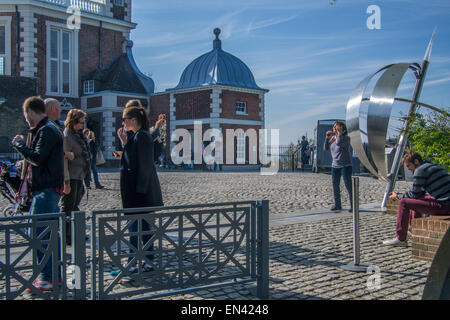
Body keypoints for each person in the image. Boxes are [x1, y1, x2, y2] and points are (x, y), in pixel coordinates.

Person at [12, 96, 64, 292]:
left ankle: (48, 277)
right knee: (49, 233)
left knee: (38, 232)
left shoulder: (47, 130)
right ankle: (52, 276)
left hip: (47, 188)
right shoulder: (46, 129)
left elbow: (37, 158)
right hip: (46, 188)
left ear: (30, 112)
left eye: (26, 115)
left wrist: (19, 145)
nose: (26, 119)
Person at [110, 106, 164, 276]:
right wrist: (124, 147)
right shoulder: (137, 136)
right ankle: (148, 261)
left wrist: (140, 191)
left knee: (136, 229)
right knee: (144, 229)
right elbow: (133, 159)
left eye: (124, 119)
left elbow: (145, 164)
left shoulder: (142, 136)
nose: (123, 122)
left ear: (133, 119)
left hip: (139, 193)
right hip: (139, 192)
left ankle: (132, 264)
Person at [383, 151, 450, 247]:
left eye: (409, 165)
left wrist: (397, 196)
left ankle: (401, 239)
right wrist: (405, 194)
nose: (408, 169)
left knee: (404, 202)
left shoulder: (420, 170)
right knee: (420, 199)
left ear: (416, 161)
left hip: (444, 206)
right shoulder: (432, 166)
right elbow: (418, 194)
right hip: (446, 203)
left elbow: (414, 194)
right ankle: (413, 230)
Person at [61, 109, 91, 245]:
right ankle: (67, 236)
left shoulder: (78, 135)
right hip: (71, 176)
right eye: (80, 123)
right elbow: (64, 159)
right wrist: (66, 181)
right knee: (68, 206)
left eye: (83, 123)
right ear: (73, 122)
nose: (82, 125)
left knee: (75, 206)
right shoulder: (67, 136)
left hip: (79, 175)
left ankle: (75, 232)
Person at [324, 121, 353, 212]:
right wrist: (327, 138)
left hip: (345, 165)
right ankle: (337, 205)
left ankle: (353, 205)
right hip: (335, 165)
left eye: (337, 127)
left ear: (343, 129)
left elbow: (339, 143)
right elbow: (325, 148)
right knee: (335, 186)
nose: (335, 129)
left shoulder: (346, 138)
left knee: (348, 185)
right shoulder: (332, 139)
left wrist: (339, 133)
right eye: (334, 127)